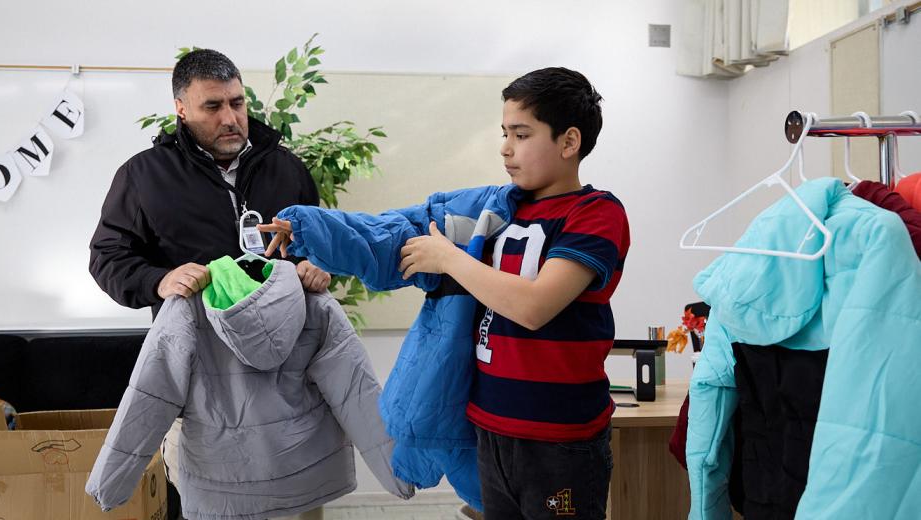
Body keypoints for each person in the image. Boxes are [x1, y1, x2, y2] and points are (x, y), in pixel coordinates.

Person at [262, 67, 629, 520]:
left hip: (561, 440)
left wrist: (450, 259)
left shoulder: (595, 213)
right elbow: (394, 232)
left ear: (569, 142)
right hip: (488, 430)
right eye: (504, 133)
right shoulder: (492, 206)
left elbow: (535, 305)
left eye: (521, 134)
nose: (506, 148)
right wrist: (309, 229)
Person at [88, 48, 329, 520]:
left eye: (238, 103)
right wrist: (159, 280)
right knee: (211, 503)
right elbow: (107, 257)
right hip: (199, 379)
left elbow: (318, 244)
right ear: (181, 108)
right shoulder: (142, 175)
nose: (231, 118)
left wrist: (317, 268)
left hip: (286, 374)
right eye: (213, 107)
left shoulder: (288, 169)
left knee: (295, 500)